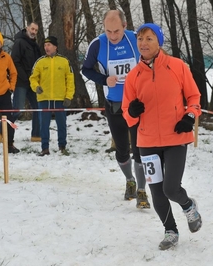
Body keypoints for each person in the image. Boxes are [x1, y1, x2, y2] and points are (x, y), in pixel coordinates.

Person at [122, 23, 202, 250]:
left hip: (175, 138)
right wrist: (132, 112)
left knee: (171, 188)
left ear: (159, 42)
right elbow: (127, 113)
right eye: (140, 39)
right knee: (156, 191)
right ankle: (170, 231)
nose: (143, 44)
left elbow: (194, 97)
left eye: (149, 39)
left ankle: (189, 207)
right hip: (146, 141)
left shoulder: (177, 67)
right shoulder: (133, 76)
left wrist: (189, 116)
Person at [81, 10, 150, 209]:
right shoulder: (97, 44)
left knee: (140, 150)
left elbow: (152, 61)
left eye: (117, 31)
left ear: (125, 26)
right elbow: (85, 69)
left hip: (137, 105)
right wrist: (104, 80)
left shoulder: (136, 39)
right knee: (122, 150)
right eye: (108, 31)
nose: (113, 36)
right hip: (115, 105)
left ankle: (142, 190)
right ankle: (130, 180)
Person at [0, 22, 42, 143]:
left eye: (36, 30)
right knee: (17, 109)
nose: (34, 32)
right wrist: (26, 77)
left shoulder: (35, 45)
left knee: (38, 108)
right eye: (32, 29)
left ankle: (36, 135)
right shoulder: (19, 42)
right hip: (21, 82)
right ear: (27, 29)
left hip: (33, 82)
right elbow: (15, 62)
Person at [29, 36, 75, 156]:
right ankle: (45, 148)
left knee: (61, 124)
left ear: (55, 47)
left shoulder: (64, 61)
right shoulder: (40, 62)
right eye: (45, 45)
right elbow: (33, 78)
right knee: (44, 124)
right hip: (44, 98)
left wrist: (68, 96)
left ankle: (62, 146)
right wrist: (36, 87)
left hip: (60, 99)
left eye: (49, 45)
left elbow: (70, 80)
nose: (46, 47)